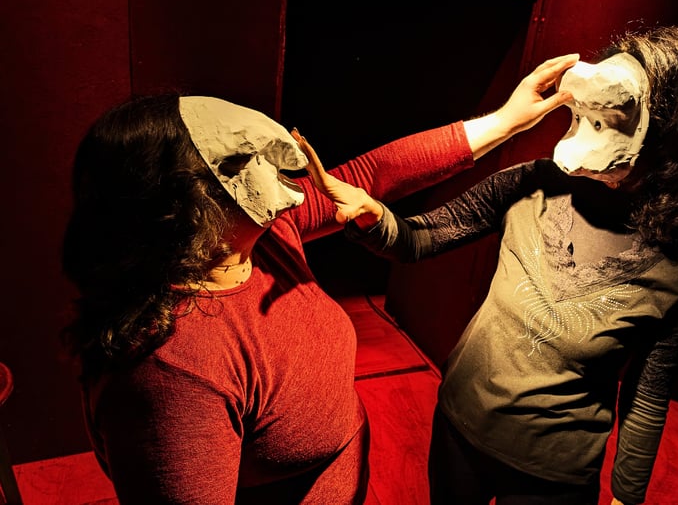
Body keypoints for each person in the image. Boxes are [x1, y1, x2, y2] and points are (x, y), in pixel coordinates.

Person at [59, 53, 579, 504]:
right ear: (190, 208)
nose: (290, 163)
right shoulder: (170, 370)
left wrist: (507, 121)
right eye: (248, 159)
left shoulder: (263, 237)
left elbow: (371, 174)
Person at [298, 25, 678, 505]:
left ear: (675, 141)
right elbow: (420, 238)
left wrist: (626, 496)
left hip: (553, 471)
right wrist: (373, 217)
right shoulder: (532, 183)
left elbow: (648, 391)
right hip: (458, 425)